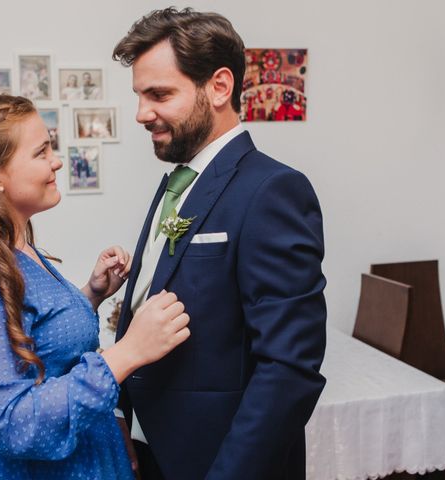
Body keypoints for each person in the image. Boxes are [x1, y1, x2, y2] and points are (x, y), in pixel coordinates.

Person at [0, 94, 191, 479]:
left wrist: (90, 294)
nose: (56, 161)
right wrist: (128, 353)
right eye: (41, 152)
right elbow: (14, 423)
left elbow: (35, 341)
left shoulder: (17, 245)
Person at [112, 8, 327, 479]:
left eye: (159, 94)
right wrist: (122, 417)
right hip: (152, 453)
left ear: (219, 87)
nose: (142, 114)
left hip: (217, 461)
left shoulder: (272, 191)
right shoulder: (177, 181)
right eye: (139, 96)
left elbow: (289, 369)